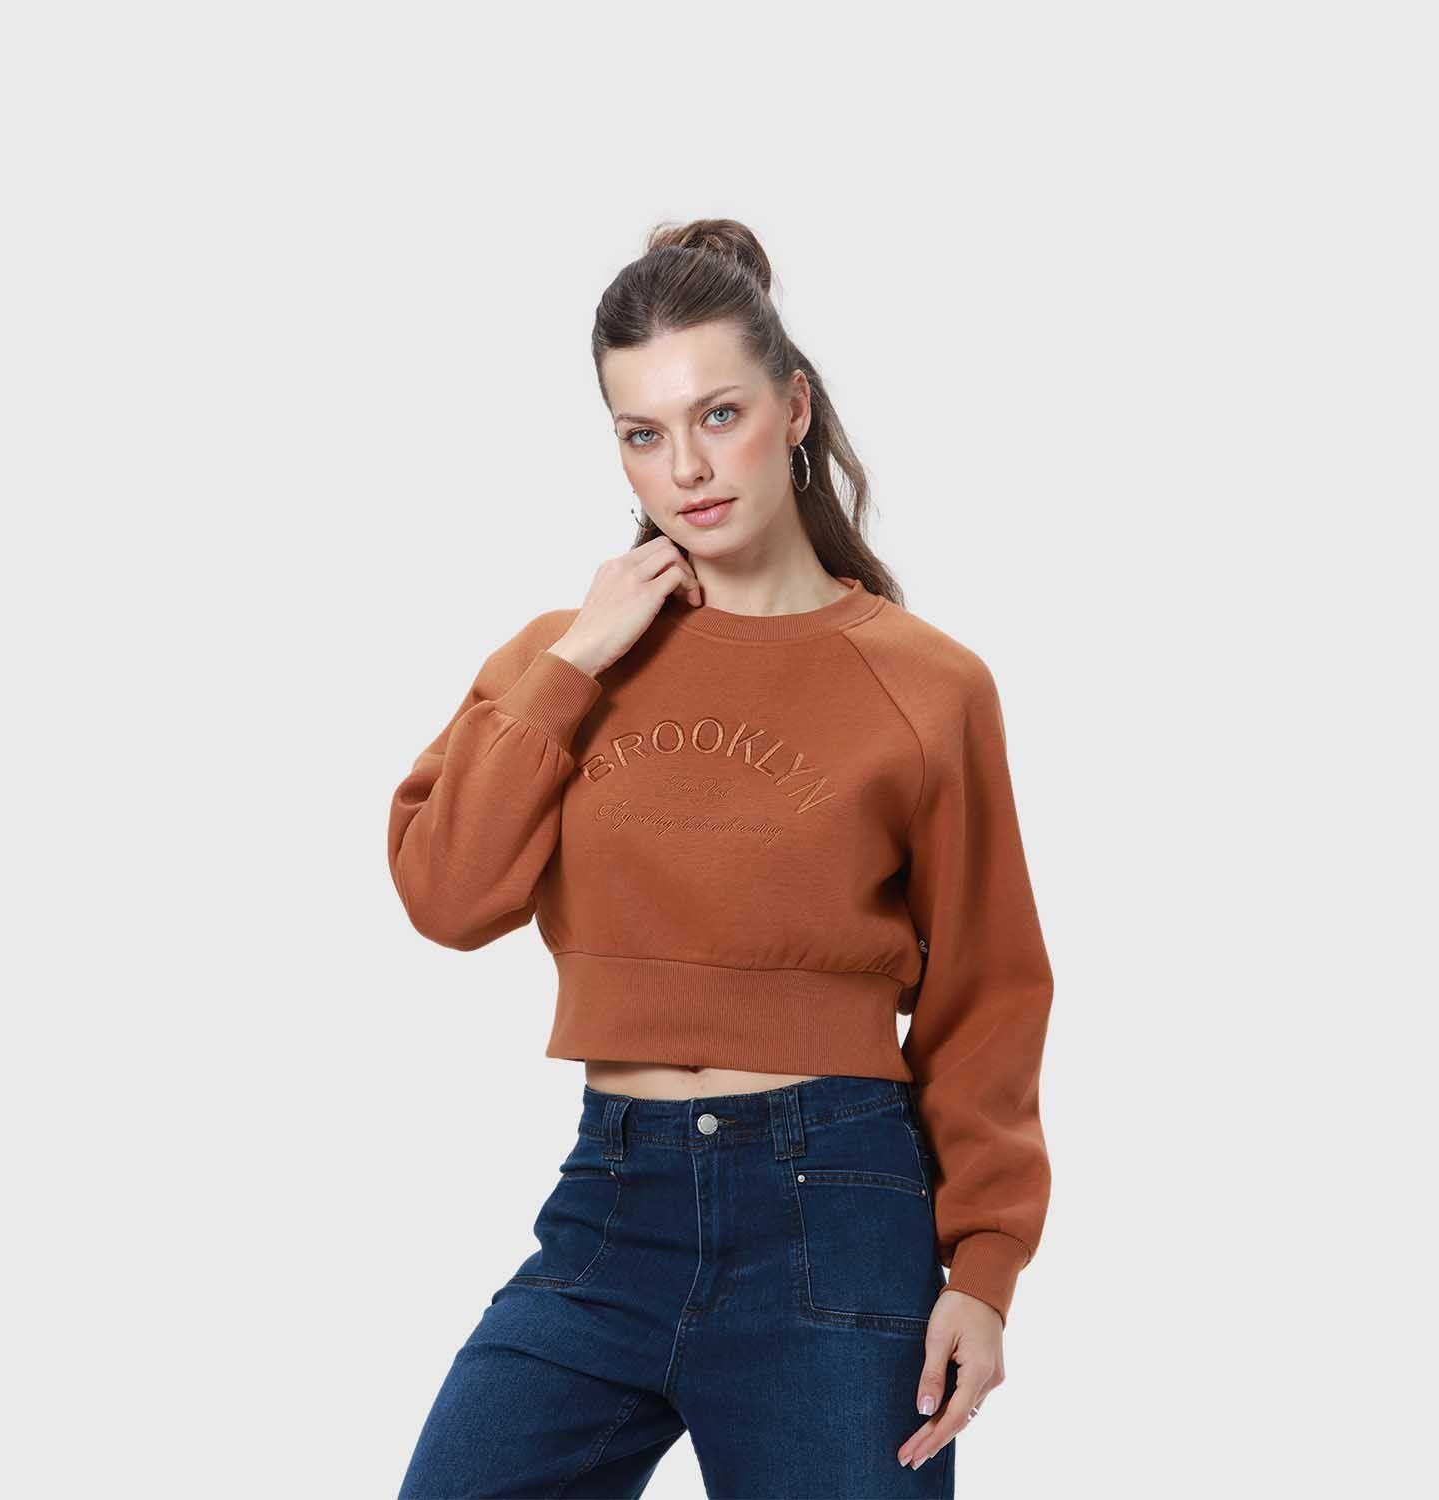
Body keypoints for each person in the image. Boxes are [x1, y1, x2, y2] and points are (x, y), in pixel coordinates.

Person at [386, 217, 1055, 1498]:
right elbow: (446, 895)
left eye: (719, 415)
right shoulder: (562, 657)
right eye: (642, 434)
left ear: (794, 407)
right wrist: (575, 661)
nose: (686, 466)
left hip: (835, 1207)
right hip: (608, 1203)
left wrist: (983, 1268)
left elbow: (990, 988)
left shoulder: (926, 684)